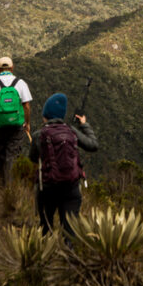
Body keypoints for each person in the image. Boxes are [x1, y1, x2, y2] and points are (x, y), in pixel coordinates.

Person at [28, 92, 98, 236]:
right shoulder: (72, 132)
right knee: (70, 229)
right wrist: (84, 125)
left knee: (45, 226)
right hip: (71, 187)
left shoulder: (38, 135)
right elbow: (93, 145)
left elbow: (33, 158)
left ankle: (45, 252)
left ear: (45, 115)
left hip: (47, 188)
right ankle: (68, 253)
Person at [0, 56, 33, 187]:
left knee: (0, 155)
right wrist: (27, 123)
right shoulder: (20, 83)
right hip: (17, 126)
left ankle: (2, 184)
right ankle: (10, 187)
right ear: (12, 68)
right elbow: (26, 106)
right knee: (12, 155)